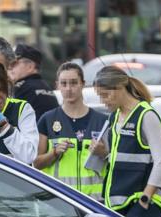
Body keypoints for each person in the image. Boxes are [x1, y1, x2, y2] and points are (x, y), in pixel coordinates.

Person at [94, 65, 161, 217]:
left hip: (141, 201)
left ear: (120, 88)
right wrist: (103, 153)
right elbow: (123, 158)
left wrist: (145, 198)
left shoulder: (146, 115)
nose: (103, 101)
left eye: (105, 95)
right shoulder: (114, 117)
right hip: (119, 204)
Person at [33, 62, 108, 201]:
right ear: (57, 85)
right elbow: (36, 163)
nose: (68, 89)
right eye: (64, 83)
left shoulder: (102, 121)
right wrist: (54, 153)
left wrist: (103, 153)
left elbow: (114, 162)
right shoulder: (47, 120)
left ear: (83, 84)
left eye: (74, 83)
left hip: (95, 203)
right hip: (60, 202)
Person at [8, 44, 58, 121]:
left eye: (14, 63)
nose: (10, 68)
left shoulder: (21, 88)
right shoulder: (46, 87)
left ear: (30, 67)